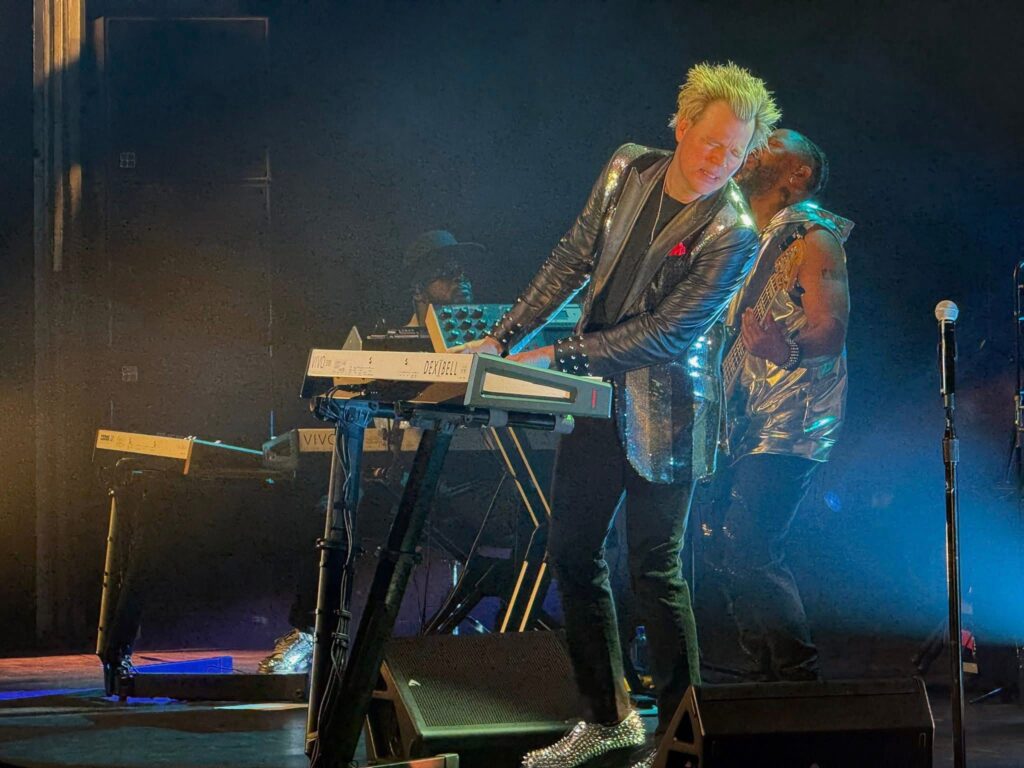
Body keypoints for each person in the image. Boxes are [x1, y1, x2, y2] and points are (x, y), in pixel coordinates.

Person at [459, 62, 779, 768]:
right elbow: (572, 256)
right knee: (572, 553)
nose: (720, 162)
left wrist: (559, 355)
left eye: (736, 153)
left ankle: (685, 740)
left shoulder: (733, 231)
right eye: (712, 143)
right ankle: (606, 717)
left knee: (654, 570)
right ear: (681, 126)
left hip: (670, 412)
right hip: (596, 401)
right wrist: (503, 338)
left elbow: (667, 334)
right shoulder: (627, 169)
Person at [258, 229, 483, 674]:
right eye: (446, 273)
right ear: (418, 288)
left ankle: (507, 640)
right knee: (332, 512)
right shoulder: (375, 341)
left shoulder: (493, 343)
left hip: (468, 482)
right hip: (396, 480)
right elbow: (336, 401)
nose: (462, 281)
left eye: (464, 272)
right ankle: (309, 634)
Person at [711, 128, 853, 682]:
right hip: (743, 420)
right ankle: (766, 678)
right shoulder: (753, 242)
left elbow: (830, 329)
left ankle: (796, 678)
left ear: (800, 174)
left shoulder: (814, 238)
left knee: (750, 544)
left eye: (773, 143)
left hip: (791, 420)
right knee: (724, 544)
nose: (756, 146)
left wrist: (785, 349)